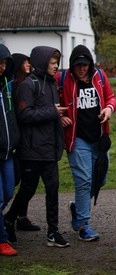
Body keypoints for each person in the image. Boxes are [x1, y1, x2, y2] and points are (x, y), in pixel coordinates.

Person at [5, 46, 69, 248]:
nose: (56, 66)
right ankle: (8, 220)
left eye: (56, 62)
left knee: (53, 190)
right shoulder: (28, 85)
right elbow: (24, 115)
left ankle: (53, 231)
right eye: (52, 63)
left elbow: (51, 114)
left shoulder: (51, 84)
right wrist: (52, 111)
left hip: (50, 149)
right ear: (42, 63)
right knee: (27, 190)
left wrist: (59, 118)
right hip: (31, 150)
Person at [57, 45, 116, 242]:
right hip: (77, 138)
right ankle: (83, 224)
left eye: (85, 64)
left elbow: (111, 97)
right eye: (78, 65)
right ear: (72, 66)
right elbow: (47, 101)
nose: (82, 69)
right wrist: (58, 117)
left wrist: (108, 109)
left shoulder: (99, 76)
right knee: (84, 181)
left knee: (101, 179)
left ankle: (77, 207)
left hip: (99, 138)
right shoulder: (62, 79)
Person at [10, 53, 41, 232]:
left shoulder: (26, 84)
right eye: (26, 62)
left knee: (26, 182)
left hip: (25, 139)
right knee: (23, 182)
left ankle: (21, 217)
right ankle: (12, 217)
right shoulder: (16, 86)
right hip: (19, 140)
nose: (29, 64)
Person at [0, 44, 19, 256]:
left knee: (8, 192)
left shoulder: (7, 85)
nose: (2, 67)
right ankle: (2, 239)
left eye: (5, 63)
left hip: (8, 151)